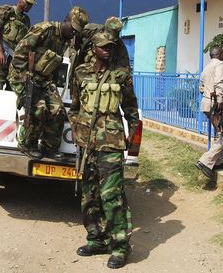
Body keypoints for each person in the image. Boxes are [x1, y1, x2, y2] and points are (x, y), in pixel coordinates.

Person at [68, 32, 138, 269]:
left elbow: (131, 109)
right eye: (103, 46)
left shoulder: (121, 75)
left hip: (111, 142)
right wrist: (78, 132)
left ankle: (119, 246)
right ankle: (96, 239)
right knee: (90, 196)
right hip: (88, 145)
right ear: (94, 49)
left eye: (111, 47)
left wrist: (131, 137)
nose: (108, 49)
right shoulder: (81, 73)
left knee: (112, 196)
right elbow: (75, 106)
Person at [7, 6, 89, 159]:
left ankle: (49, 147)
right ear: (66, 20)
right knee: (38, 109)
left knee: (58, 110)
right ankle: (27, 144)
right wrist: (24, 75)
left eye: (76, 31)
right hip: (22, 75)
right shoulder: (45, 29)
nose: (73, 33)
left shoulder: (66, 41)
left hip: (44, 80)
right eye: (72, 29)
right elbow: (20, 52)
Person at [0, 0, 36, 89]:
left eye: (31, 4)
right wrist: (0, 51)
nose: (29, 6)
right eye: (28, 3)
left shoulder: (26, 20)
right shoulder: (6, 10)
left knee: (13, 92)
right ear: (20, 0)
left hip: (13, 61)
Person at [195, 46, 223, 179]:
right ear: (220, 54)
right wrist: (220, 103)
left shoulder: (206, 68)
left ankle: (217, 162)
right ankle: (205, 161)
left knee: (219, 132)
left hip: (206, 104)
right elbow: (219, 84)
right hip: (217, 106)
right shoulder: (220, 65)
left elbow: (201, 88)